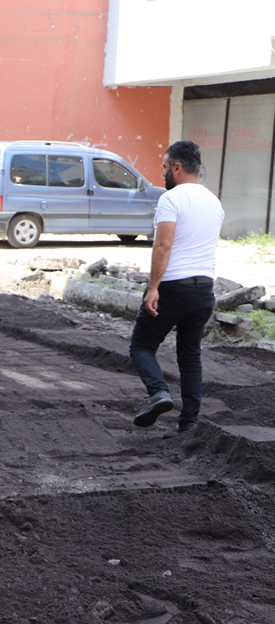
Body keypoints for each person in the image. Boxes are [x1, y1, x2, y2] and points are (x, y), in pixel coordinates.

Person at [131, 141, 224, 433]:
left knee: (142, 345)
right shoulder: (214, 202)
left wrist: (153, 288)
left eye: (164, 166)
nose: (162, 173)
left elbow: (163, 246)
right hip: (204, 290)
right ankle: (189, 422)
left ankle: (158, 393)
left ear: (177, 167)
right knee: (190, 353)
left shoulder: (171, 199)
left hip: (174, 287)